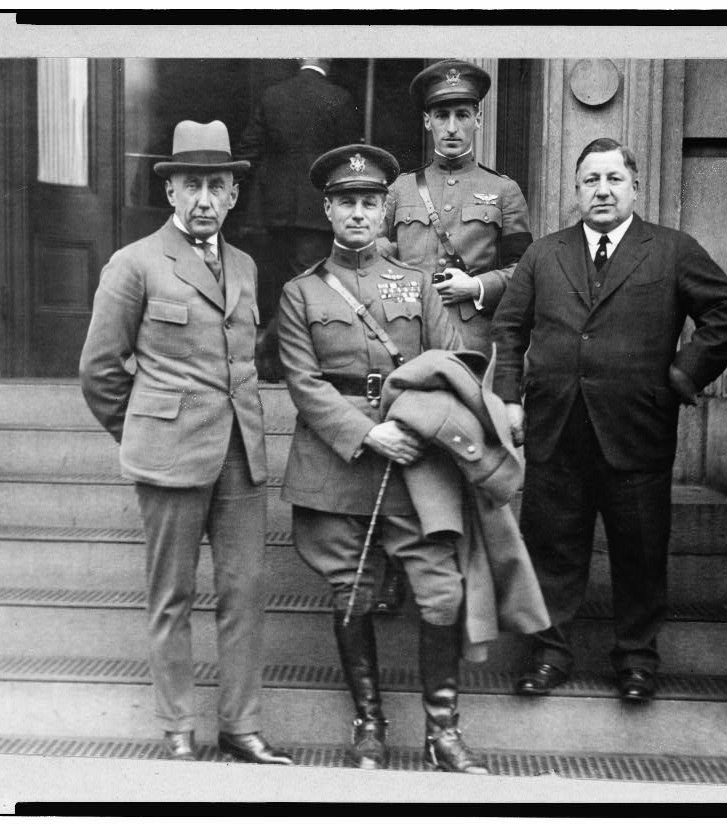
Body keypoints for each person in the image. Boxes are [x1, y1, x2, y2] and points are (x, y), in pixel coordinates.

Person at [492, 137, 727, 704]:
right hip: (556, 425)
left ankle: (636, 660)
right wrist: (509, 397)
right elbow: (509, 329)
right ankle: (549, 653)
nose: (602, 191)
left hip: (637, 429)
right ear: (576, 190)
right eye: (591, 180)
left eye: (613, 179)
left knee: (639, 549)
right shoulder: (543, 253)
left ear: (635, 186)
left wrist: (682, 376)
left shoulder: (671, 250)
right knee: (551, 545)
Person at [79, 120, 293, 765]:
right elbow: (100, 371)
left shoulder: (248, 266)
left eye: (216, 186)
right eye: (190, 184)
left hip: (240, 457)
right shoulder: (135, 263)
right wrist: (145, 429)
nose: (204, 199)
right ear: (171, 191)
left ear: (233, 195)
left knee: (245, 593)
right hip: (169, 457)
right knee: (171, 596)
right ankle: (177, 728)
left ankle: (241, 726)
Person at [276, 144, 490, 774]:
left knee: (441, 593)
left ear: (383, 209)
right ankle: (369, 723)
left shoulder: (417, 285)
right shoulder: (300, 293)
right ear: (328, 209)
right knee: (353, 593)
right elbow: (303, 381)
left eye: (370, 202)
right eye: (348, 202)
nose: (360, 213)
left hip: (413, 462)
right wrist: (368, 435)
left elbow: (453, 363)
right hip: (336, 463)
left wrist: (413, 424)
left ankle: (442, 733)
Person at [376, 58, 532, 612]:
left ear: (478, 120)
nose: (451, 127)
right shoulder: (397, 191)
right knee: (407, 459)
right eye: (440, 115)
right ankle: (400, 568)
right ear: (426, 123)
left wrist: (478, 284)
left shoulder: (503, 191)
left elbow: (526, 274)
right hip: (410, 351)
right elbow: (376, 266)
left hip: (471, 352)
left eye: (462, 114)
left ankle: (474, 586)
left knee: (470, 461)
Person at [236, 58, 361, 380]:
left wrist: (243, 197)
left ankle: (274, 357)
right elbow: (349, 161)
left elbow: (248, 150)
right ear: (329, 59)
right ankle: (272, 353)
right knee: (306, 288)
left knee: (286, 286)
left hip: (272, 211)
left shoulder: (272, 96)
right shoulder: (340, 98)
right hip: (316, 211)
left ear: (298, 57)